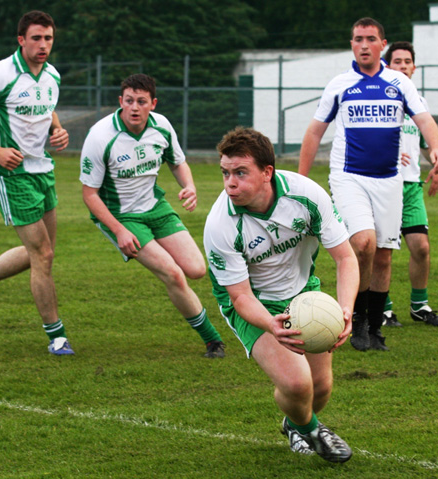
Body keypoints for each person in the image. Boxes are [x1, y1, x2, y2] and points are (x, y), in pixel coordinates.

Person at [204, 126, 359, 462]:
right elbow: (240, 296)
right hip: (255, 305)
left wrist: (346, 311)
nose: (230, 183)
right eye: (225, 173)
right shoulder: (221, 225)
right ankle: (316, 432)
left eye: (240, 173)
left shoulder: (306, 195)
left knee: (320, 388)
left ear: (267, 173)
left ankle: (295, 425)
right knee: (297, 385)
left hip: (304, 295)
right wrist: (271, 325)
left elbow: (346, 258)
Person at [298, 17, 438, 351]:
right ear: (352, 45)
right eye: (357, 39)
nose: (363, 44)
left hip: (389, 180)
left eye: (370, 38)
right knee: (363, 244)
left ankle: (375, 329)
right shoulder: (340, 84)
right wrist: (301, 182)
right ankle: (357, 320)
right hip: (349, 178)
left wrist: (436, 150)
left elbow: (425, 122)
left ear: (382, 45)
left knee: (385, 256)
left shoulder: (399, 84)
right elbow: (315, 131)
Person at [79, 73, 225, 358]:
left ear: (153, 104)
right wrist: (119, 230)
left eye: (141, 102)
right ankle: (212, 340)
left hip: (156, 208)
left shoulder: (162, 127)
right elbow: (89, 195)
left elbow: (178, 162)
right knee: (173, 274)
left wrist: (190, 186)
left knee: (196, 269)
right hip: (122, 217)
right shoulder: (100, 136)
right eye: (129, 101)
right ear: (120, 101)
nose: (134, 107)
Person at [0, 11, 73, 355]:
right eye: (36, 38)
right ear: (20, 40)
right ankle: (56, 336)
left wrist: (57, 129)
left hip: (44, 171)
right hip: (12, 176)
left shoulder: (52, 74)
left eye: (48, 38)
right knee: (43, 254)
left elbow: (48, 106)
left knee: (42, 253)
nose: (43, 45)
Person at [382, 41, 438, 327]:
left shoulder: (419, 103)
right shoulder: (379, 99)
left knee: (421, 247)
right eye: (397, 61)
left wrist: (435, 162)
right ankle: (383, 308)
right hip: (384, 184)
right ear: (387, 66)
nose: (403, 66)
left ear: (414, 67)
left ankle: (419, 305)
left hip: (412, 186)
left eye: (407, 61)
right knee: (383, 250)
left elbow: (427, 142)